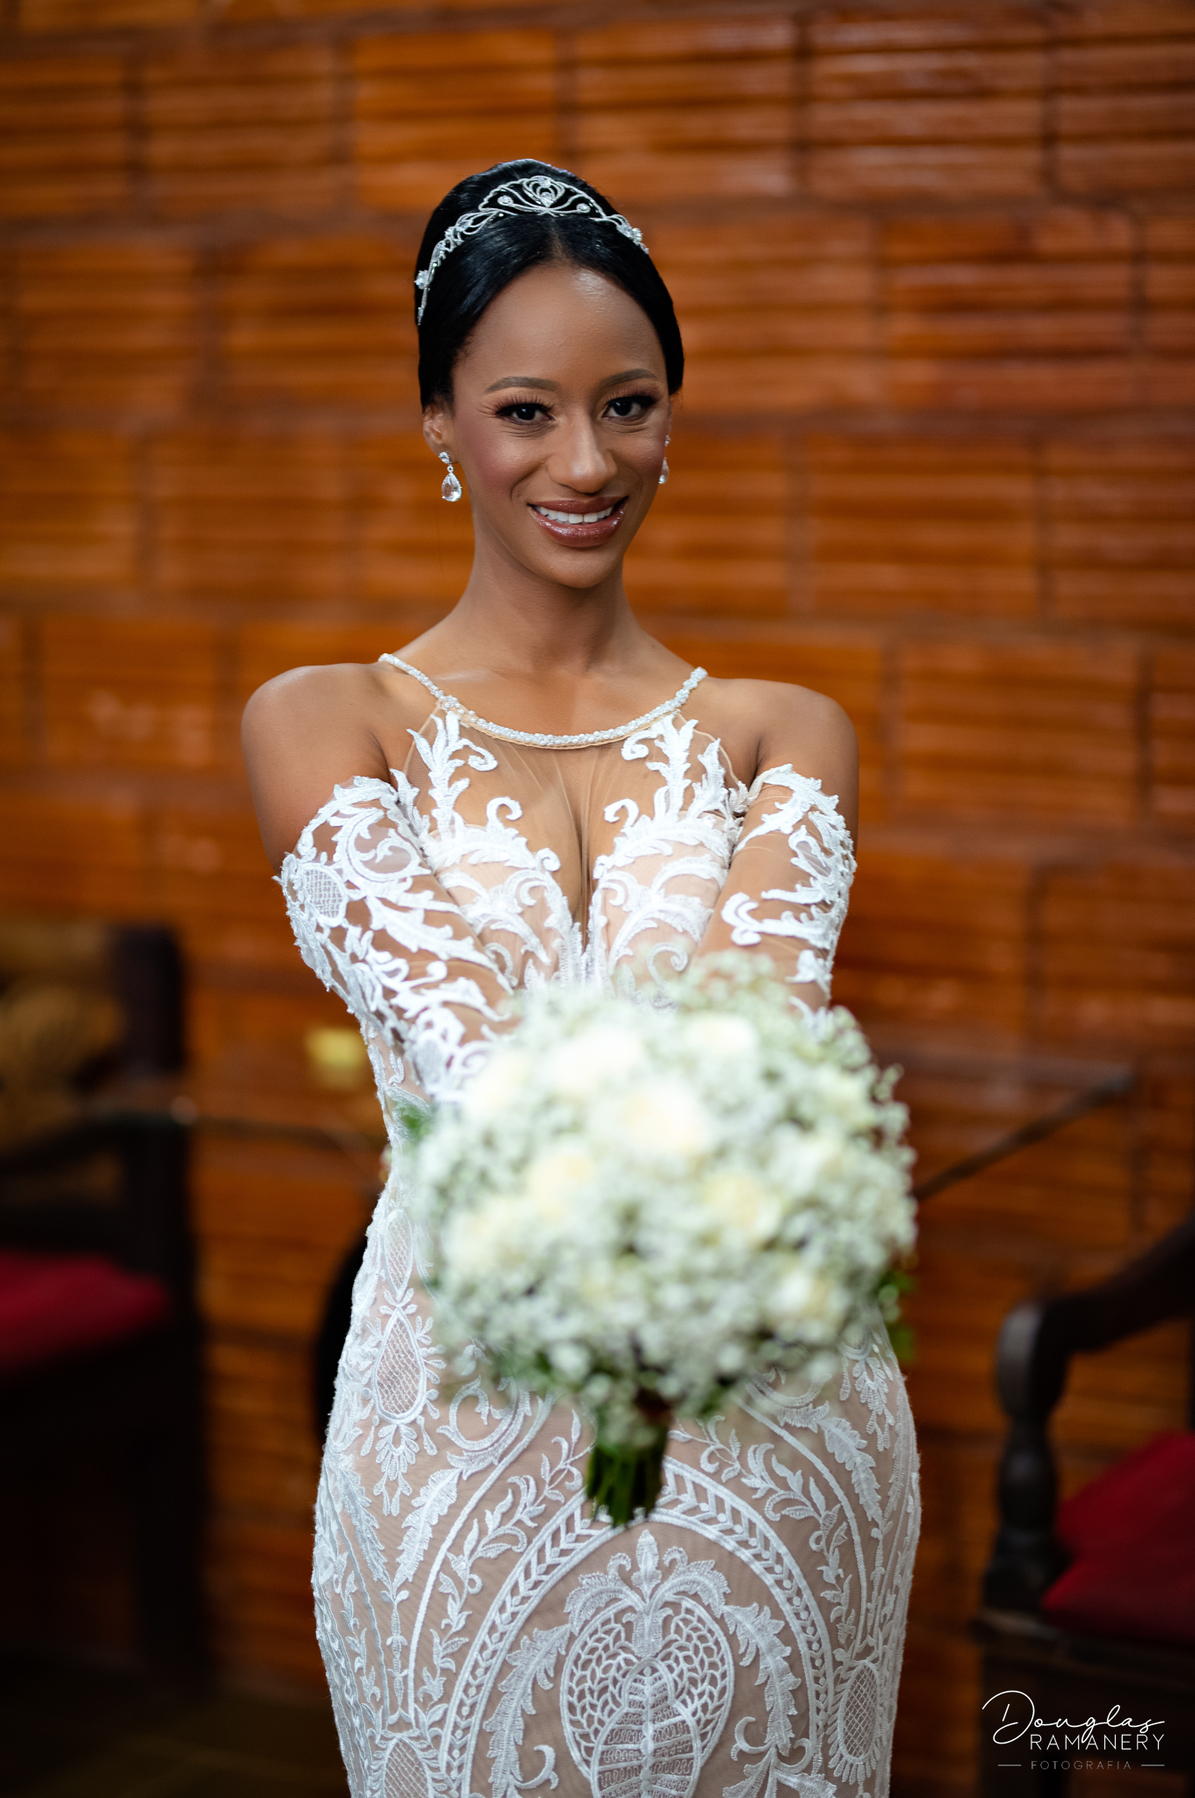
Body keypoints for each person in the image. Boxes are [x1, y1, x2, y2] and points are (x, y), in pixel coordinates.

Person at [243, 159, 919, 1798]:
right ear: (440, 421)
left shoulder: (786, 731)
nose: (587, 461)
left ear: (671, 414)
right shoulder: (323, 718)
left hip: (770, 1413)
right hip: (461, 1420)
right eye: (525, 412)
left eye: (628, 405)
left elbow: (752, 1059)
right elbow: (467, 1060)